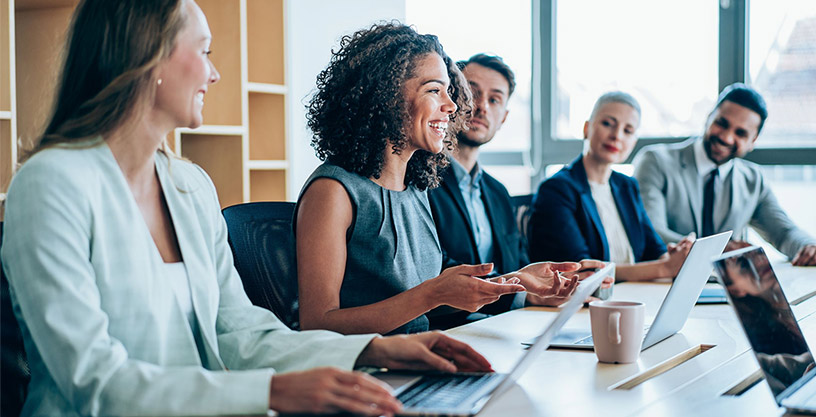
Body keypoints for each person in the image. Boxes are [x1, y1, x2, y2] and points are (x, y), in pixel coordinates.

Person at [0, 2, 494, 416]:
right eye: (204, 52)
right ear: (148, 59)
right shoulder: (51, 185)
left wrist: (377, 349)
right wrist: (271, 391)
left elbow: (241, 332)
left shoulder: (188, 185)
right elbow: (93, 379)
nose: (215, 73)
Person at [295, 23, 583, 337]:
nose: (453, 106)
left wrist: (515, 280)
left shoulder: (416, 188)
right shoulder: (332, 191)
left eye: (448, 91)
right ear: (386, 94)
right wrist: (432, 294)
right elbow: (318, 324)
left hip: (421, 355)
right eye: (435, 90)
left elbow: (435, 300)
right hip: (370, 373)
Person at [427, 54, 607, 329]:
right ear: (452, 99)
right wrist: (522, 293)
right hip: (451, 328)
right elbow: (432, 268)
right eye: (471, 93)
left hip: (506, 324)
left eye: (495, 99)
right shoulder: (421, 181)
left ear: (504, 118)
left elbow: (519, 265)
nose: (482, 106)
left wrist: (549, 286)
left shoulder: (497, 192)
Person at [633, 83, 816, 266]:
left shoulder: (753, 180)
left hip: (729, 291)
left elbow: (784, 233)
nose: (727, 137)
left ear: (753, 141)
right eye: (722, 123)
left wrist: (812, 248)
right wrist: (719, 250)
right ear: (709, 117)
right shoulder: (655, 161)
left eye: (741, 133)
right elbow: (650, 232)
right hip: (662, 284)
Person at [529, 92, 693, 281]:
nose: (616, 136)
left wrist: (676, 258)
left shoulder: (627, 186)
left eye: (628, 131)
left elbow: (654, 249)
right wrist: (664, 269)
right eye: (608, 124)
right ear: (586, 128)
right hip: (585, 302)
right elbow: (582, 270)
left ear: (634, 142)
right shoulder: (556, 189)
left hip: (634, 295)